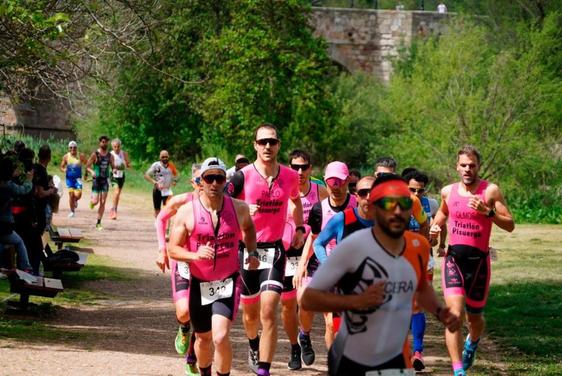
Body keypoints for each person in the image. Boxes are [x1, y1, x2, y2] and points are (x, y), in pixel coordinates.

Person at [301, 174, 461, 375]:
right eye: (363, 193)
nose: (368, 197)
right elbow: (318, 243)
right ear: (355, 196)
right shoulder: (342, 219)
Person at [225, 123, 305, 376]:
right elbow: (221, 204)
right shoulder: (241, 176)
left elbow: (296, 200)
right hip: (246, 250)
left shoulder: (290, 176)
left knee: (269, 309)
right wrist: (241, 207)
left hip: (274, 250)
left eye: (272, 141)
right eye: (262, 142)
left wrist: (300, 228)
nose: (267, 146)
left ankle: (264, 370)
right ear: (255, 145)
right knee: (250, 315)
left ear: (278, 144)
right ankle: (252, 344)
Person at [168, 157, 259, 376]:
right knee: (203, 337)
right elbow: (173, 249)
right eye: (210, 178)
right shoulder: (187, 212)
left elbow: (249, 229)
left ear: (224, 181)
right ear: (201, 181)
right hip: (199, 283)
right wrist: (194, 254)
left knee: (220, 336)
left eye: (219, 178)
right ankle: (205, 371)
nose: (215, 183)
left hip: (228, 281)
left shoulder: (239, 208)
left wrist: (252, 252)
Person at [430, 145, 514, 376]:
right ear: (457, 167)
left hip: (479, 263)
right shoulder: (448, 191)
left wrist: (488, 212)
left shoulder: (490, 191)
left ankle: (472, 343)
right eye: (463, 165)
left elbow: (510, 224)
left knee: (475, 319)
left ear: (478, 167)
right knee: (454, 315)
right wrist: (435, 228)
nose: (467, 169)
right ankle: (458, 370)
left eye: (472, 165)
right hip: (454, 260)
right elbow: (444, 213)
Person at [294, 161, 357, 353]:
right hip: (320, 264)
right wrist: (301, 264)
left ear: (347, 181)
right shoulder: (318, 210)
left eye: (340, 181)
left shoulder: (357, 205)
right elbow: (313, 239)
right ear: (325, 182)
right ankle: (304, 333)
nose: (335, 187)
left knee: (332, 323)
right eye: (331, 182)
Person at [279, 149, 328, 370]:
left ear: (310, 169)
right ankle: (294, 346)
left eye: (304, 167)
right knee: (288, 305)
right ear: (289, 168)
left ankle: (304, 335)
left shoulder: (321, 192)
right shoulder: (280, 191)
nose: (299, 171)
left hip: (313, 254)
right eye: (295, 167)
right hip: (287, 254)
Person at [155, 163, 202, 375]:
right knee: (184, 312)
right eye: (201, 180)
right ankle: (183, 327)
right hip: (183, 262)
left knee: (202, 315)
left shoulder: (221, 205)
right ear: (193, 182)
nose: (207, 184)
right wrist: (161, 249)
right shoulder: (182, 201)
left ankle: (192, 356)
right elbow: (160, 219)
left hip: (207, 266)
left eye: (213, 179)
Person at [402, 168, 444, 371]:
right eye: (412, 189)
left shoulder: (432, 204)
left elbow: (435, 234)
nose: (417, 194)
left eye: (420, 191)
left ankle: (418, 352)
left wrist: (434, 238)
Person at [0, 156, 33, 272]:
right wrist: (29, 179)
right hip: (4, 224)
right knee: (18, 242)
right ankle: (26, 267)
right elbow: (23, 190)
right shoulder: (9, 186)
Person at [86, 135, 115, 230]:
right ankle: (92, 202)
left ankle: (98, 223)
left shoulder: (110, 156)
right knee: (96, 201)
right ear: (100, 143)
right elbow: (87, 166)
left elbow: (113, 166)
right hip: (96, 180)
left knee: (103, 202)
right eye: (103, 141)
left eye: (106, 142)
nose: (104, 143)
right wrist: (92, 172)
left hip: (105, 180)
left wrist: (114, 170)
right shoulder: (95, 154)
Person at [144, 150, 178, 217]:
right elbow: (146, 175)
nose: (165, 158)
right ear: (160, 157)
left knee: (167, 209)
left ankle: (166, 227)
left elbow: (176, 176)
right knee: (157, 211)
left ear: (168, 157)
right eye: (163, 157)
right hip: (157, 190)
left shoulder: (171, 166)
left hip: (167, 191)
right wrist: (154, 182)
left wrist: (174, 181)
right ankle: (158, 225)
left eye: (166, 157)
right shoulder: (156, 165)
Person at [60, 141, 87, 218]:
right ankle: (72, 211)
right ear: (68, 148)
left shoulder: (81, 156)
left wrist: (86, 174)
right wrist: (64, 169)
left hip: (78, 179)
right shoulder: (66, 157)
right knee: (71, 195)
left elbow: (87, 164)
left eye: (74, 147)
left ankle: (75, 200)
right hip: (70, 179)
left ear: (76, 148)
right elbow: (61, 167)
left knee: (78, 195)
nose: (73, 149)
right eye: (71, 147)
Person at [108, 138, 130, 220]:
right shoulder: (110, 154)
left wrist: (126, 165)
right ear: (112, 147)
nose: (117, 148)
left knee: (118, 194)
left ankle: (114, 209)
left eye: (118, 146)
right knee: (116, 192)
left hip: (121, 175)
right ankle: (113, 210)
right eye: (115, 147)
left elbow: (128, 163)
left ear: (120, 146)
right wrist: (114, 168)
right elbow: (110, 165)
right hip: (113, 175)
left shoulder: (124, 153)